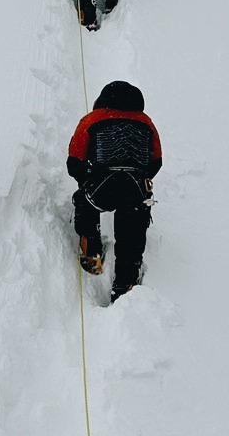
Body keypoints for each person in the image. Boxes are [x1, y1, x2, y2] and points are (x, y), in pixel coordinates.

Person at [66, 80, 162, 298]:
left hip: (103, 185)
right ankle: (125, 283)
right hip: (135, 188)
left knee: (85, 202)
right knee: (132, 230)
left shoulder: (92, 119)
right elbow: (156, 161)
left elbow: (74, 161)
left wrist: (86, 179)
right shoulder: (146, 123)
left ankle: (91, 250)